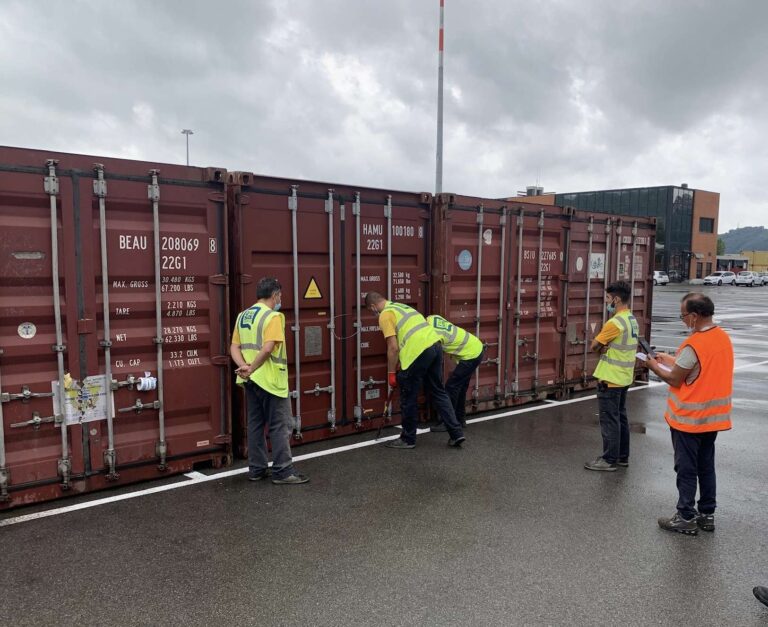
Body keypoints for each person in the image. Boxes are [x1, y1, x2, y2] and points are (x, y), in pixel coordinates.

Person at [646, 293, 733, 535]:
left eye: (683, 315)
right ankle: (707, 514)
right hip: (712, 418)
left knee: (686, 468)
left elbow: (675, 377)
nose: (683, 320)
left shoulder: (694, 343)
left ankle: (685, 515)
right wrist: (669, 358)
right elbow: (699, 369)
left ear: (694, 317)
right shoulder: (722, 338)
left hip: (688, 420)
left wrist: (653, 365)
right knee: (706, 466)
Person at [231, 277, 309, 485]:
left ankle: (256, 469)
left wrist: (245, 368)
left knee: (255, 425)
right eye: (279, 297)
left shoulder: (242, 316)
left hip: (250, 380)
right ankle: (283, 471)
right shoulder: (273, 317)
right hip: (270, 379)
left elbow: (234, 347)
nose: (279, 300)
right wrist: (253, 367)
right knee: (280, 425)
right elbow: (268, 348)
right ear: (274, 295)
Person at [365, 292, 465, 449]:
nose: (373, 313)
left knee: (408, 395)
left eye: (372, 311)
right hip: (436, 346)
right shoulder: (403, 307)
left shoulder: (385, 315)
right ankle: (456, 433)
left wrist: (391, 373)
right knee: (439, 391)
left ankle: (407, 439)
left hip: (418, 352)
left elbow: (393, 347)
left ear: (373, 306)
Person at [584, 281, 640, 472]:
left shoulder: (614, 322)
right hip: (624, 377)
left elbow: (594, 345)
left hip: (610, 379)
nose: (607, 302)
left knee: (610, 420)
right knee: (621, 418)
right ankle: (622, 457)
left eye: (608, 298)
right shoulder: (631, 319)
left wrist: (602, 346)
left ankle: (609, 459)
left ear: (616, 299)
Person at [425, 314, 484, 432]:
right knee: (460, 388)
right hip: (476, 347)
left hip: (471, 355)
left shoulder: (432, 335)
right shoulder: (432, 318)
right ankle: (460, 419)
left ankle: (448, 423)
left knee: (451, 388)